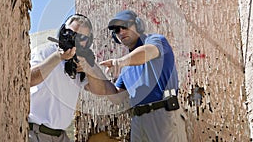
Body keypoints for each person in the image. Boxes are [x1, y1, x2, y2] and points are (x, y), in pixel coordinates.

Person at [79, 10, 188, 142]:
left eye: (125, 26)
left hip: (163, 114)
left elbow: (148, 51)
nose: (121, 32)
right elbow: (117, 97)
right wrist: (92, 70)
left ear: (138, 25)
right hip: (138, 119)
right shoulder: (126, 67)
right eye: (117, 30)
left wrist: (120, 62)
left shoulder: (155, 40)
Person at [28, 14, 95, 142]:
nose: (74, 40)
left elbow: (100, 90)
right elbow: (29, 80)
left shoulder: (79, 63)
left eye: (81, 37)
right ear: (63, 32)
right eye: (70, 33)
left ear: (88, 41)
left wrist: (90, 70)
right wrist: (58, 57)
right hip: (36, 133)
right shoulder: (45, 52)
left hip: (60, 136)